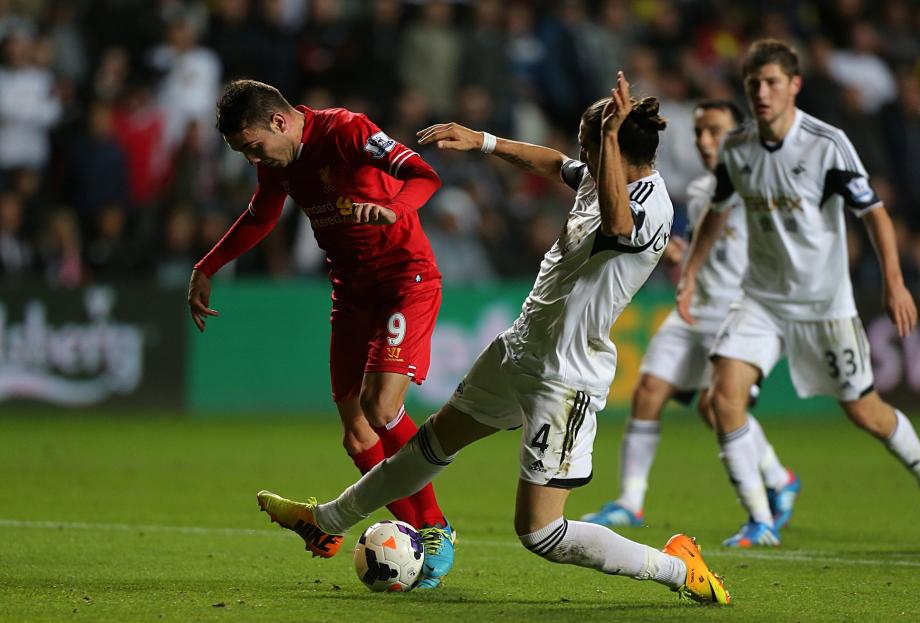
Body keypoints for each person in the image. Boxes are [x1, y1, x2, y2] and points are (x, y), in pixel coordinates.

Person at [257, 73, 730, 604]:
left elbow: (619, 225)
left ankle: (675, 567)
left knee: (541, 534)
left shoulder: (650, 209)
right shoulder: (600, 177)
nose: (580, 155)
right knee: (427, 447)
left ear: (615, 151)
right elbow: (554, 163)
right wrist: (483, 141)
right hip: (519, 349)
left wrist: (610, 145)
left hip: (564, 377)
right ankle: (323, 521)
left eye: (589, 145)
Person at [677, 39, 920, 547]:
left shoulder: (826, 144)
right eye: (753, 85)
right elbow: (717, 209)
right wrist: (692, 271)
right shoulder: (738, 148)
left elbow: (874, 213)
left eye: (772, 83)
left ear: (794, 86)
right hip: (761, 299)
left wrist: (895, 283)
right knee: (722, 398)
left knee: (865, 412)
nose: (762, 93)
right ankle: (761, 519)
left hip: (824, 305)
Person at [187, 79, 455, 587]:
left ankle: (437, 528)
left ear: (280, 122)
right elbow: (261, 215)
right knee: (357, 434)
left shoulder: (347, 131)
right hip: (351, 295)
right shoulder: (279, 163)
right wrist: (208, 266)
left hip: (405, 280)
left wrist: (395, 208)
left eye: (253, 146)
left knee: (381, 408)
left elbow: (424, 175)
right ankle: (407, 535)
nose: (252, 159)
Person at [582, 100, 800, 531]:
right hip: (693, 307)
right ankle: (630, 501)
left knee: (713, 406)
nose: (704, 141)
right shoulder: (703, 190)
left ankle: (777, 479)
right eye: (699, 132)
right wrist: (680, 252)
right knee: (647, 392)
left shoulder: (764, 185)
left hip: (737, 313)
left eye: (715, 132)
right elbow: (709, 244)